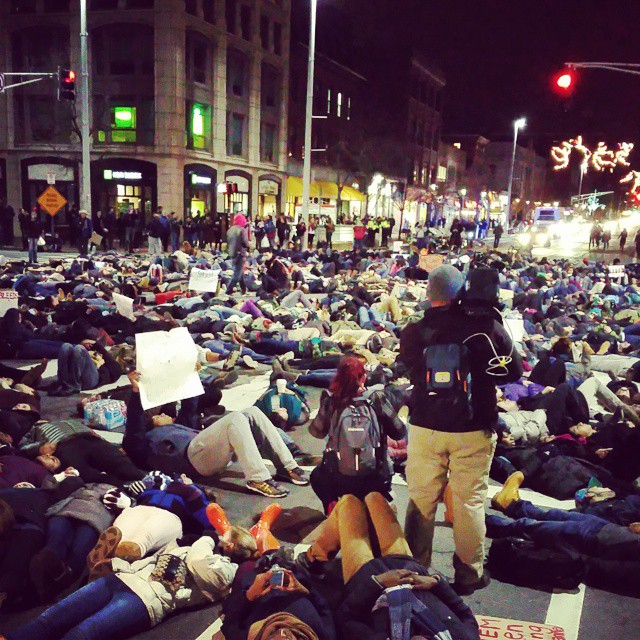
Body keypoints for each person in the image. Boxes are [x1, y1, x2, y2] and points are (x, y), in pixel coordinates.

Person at [399, 264, 522, 594]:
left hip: (425, 426)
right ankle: (469, 573)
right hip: (472, 427)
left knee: (421, 500)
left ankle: (413, 567)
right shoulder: (483, 327)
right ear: (461, 291)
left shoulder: (415, 330)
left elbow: (407, 367)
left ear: (429, 293)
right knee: (468, 503)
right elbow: (514, 371)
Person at [299, 493, 480, 640]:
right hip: (406, 565)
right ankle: (317, 555)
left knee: (348, 503)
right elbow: (465, 614)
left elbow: (345, 619)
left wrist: (377, 583)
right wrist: (436, 582)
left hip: (366, 573)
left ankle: (314, 557)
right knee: (375, 497)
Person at [4, 535, 238, 640]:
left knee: (80, 634)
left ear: (234, 544)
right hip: (122, 579)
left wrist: (206, 539)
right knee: (50, 618)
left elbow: (198, 563)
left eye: (226, 535)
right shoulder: (191, 545)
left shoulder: (228, 570)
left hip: (146, 600)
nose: (221, 535)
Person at [123, 372, 309, 498]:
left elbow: (190, 405)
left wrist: (190, 376)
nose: (164, 414)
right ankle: (258, 478)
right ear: (151, 421)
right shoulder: (145, 441)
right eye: (159, 415)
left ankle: (287, 466)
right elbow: (134, 422)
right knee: (235, 418)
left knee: (251, 411)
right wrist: (137, 393)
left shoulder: (180, 426)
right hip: (192, 461)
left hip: (207, 452)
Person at [308, 356, 405, 514]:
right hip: (376, 479)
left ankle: (333, 505)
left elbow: (316, 432)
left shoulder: (332, 401)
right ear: (363, 377)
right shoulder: (376, 399)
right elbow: (399, 432)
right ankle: (376, 505)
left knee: (317, 476)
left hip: (340, 479)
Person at [47, 340, 122, 397]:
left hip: (93, 381)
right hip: (78, 376)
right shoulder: (98, 358)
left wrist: (96, 344)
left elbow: (106, 356)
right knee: (66, 346)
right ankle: (62, 382)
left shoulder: (116, 368)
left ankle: (73, 386)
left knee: (79, 349)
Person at [226, 213, 250, 294]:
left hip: (232, 253)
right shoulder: (241, 230)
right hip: (240, 253)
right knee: (237, 272)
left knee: (240, 271)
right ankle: (229, 289)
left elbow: (228, 241)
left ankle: (243, 289)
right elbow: (245, 243)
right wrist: (248, 246)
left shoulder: (230, 229)